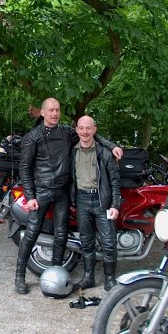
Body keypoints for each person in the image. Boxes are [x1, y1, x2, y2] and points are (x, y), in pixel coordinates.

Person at [14, 98, 123, 294]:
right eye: (51, 110)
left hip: (62, 191)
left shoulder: (66, 132)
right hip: (41, 191)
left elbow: (88, 134)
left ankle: (56, 273)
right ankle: (19, 276)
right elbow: (24, 168)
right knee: (32, 232)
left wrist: (111, 145)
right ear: (42, 112)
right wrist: (30, 195)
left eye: (57, 110)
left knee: (61, 234)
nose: (55, 113)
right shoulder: (32, 137)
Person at [71, 115, 121, 291]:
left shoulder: (105, 153)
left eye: (88, 128)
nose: (85, 132)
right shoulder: (72, 151)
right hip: (81, 200)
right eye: (81, 128)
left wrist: (115, 205)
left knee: (109, 242)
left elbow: (115, 182)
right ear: (77, 130)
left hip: (102, 202)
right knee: (86, 241)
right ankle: (88, 277)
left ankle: (110, 279)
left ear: (94, 129)